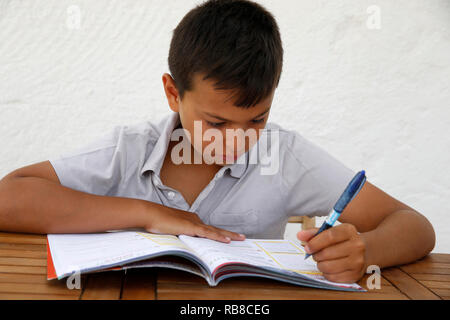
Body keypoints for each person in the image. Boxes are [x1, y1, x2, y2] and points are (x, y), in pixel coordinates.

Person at [0, 0, 435, 284]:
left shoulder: (283, 155)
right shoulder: (130, 149)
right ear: (174, 93)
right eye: (217, 122)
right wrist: (147, 213)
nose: (240, 140)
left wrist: (366, 251)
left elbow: (414, 225)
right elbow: (9, 196)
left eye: (257, 118)